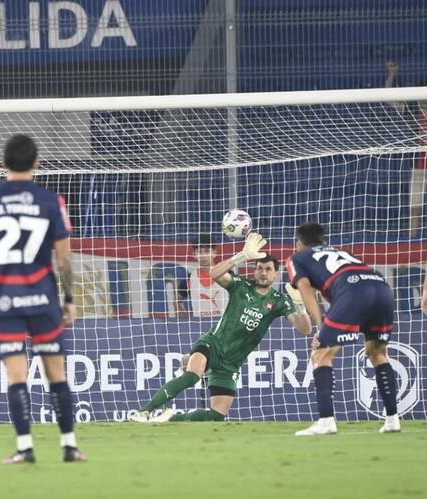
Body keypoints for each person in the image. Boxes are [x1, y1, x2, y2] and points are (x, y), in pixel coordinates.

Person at [0, 134, 85, 464]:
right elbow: (63, 259)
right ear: (36, 163)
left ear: (3, 163)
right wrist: (69, 298)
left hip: (5, 299)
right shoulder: (51, 201)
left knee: (17, 376)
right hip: (43, 298)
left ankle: (24, 448)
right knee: (56, 374)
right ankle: (69, 446)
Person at [131, 237, 312, 423]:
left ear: (276, 274)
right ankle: (144, 411)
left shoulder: (280, 301)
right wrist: (242, 256)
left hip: (231, 363)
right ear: (254, 271)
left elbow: (305, 329)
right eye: (259, 268)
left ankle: (168, 418)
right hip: (212, 344)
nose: (263, 273)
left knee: (217, 415)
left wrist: (300, 305)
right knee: (192, 376)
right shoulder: (241, 286)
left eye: (268, 269)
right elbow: (214, 273)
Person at [288, 222, 400, 435]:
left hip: (354, 292)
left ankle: (326, 421)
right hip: (382, 288)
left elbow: (304, 288)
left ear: (298, 243)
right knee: (378, 353)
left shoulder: (298, 257)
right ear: (323, 241)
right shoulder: (340, 251)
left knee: (321, 354)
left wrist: (321, 325)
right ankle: (393, 419)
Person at [385, 61, 427, 237]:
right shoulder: (412, 111)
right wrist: (392, 74)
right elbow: (388, 98)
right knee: (414, 208)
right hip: (420, 167)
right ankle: (412, 242)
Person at [175, 234, 229, 317]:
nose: (203, 255)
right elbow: (176, 300)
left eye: (207, 251)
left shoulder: (227, 274)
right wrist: (185, 322)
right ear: (194, 254)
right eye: (200, 252)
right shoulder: (190, 278)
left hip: (224, 327)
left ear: (214, 253)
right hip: (200, 328)